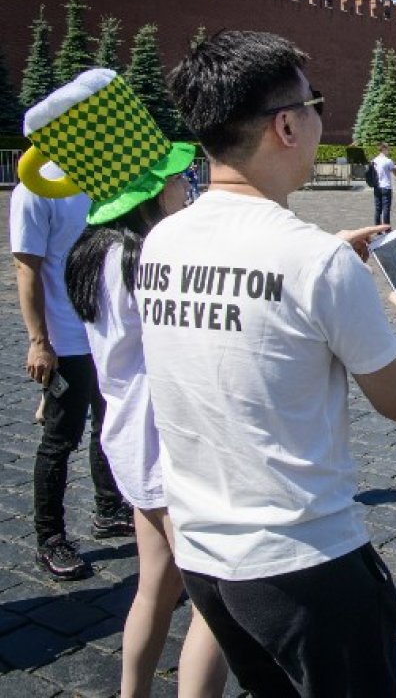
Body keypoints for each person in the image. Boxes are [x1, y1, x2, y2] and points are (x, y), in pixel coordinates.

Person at [146, 30, 396, 695]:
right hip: (304, 561)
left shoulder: (163, 239)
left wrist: (328, 257)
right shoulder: (314, 261)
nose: (317, 117)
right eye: (314, 104)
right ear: (285, 125)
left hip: (204, 556)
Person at [29, 69, 229, 697]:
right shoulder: (155, 254)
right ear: (149, 191)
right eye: (176, 176)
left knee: (153, 584)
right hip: (171, 440)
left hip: (128, 437)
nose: (184, 183)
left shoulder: (95, 252)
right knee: (213, 606)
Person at [10, 158, 133, 581]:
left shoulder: (102, 177)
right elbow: (26, 267)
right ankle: (50, 538)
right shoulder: (37, 188)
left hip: (104, 329)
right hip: (65, 338)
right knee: (59, 440)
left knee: (110, 422)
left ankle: (108, 507)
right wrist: (39, 342)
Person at [370, 143, 396, 226]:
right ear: (384, 149)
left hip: (377, 186)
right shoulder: (388, 161)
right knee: (386, 209)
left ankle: (377, 229)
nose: (389, 151)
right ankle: (386, 228)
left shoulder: (374, 160)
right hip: (386, 187)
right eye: (388, 149)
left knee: (378, 209)